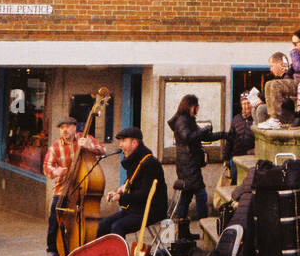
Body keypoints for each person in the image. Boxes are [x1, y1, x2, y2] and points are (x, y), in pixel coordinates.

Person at [41, 118, 108, 256]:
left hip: (84, 187)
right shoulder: (55, 147)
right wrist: (56, 171)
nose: (64, 130)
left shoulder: (85, 138)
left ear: (75, 128)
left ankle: (87, 248)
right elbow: (46, 167)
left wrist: (90, 146)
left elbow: (103, 150)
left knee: (86, 219)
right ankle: (52, 252)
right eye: (62, 127)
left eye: (68, 127)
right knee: (55, 215)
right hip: (63, 188)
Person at [167, 95, 225, 241]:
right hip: (188, 165)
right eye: (196, 106)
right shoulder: (182, 120)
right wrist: (204, 130)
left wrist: (223, 135)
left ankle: (183, 234)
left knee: (186, 197)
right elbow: (188, 137)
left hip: (189, 164)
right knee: (201, 195)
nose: (198, 109)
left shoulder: (188, 120)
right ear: (190, 106)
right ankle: (204, 226)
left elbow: (203, 137)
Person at [97, 127, 168, 240]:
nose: (120, 145)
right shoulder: (135, 160)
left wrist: (121, 197)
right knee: (103, 225)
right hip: (136, 209)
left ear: (134, 143)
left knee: (117, 227)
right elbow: (134, 181)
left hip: (152, 210)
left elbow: (144, 193)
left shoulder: (150, 163)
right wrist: (122, 188)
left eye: (123, 141)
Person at [254, 52, 300, 130]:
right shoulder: (278, 79)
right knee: (255, 108)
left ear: (279, 64)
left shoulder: (289, 77)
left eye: (272, 66)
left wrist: (264, 99)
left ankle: (267, 131)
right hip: (282, 111)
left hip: (289, 114)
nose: (270, 69)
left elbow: (289, 102)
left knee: (261, 109)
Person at [223, 93, 256, 181]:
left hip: (251, 159)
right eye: (244, 104)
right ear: (241, 105)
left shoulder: (257, 120)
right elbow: (230, 139)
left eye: (248, 103)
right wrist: (226, 158)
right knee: (235, 181)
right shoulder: (236, 119)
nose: (246, 106)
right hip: (236, 159)